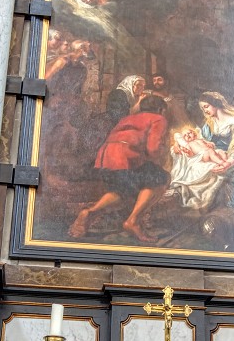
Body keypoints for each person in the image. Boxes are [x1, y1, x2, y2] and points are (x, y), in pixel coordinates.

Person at [69, 94, 170, 243]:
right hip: (126, 158)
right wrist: (162, 154)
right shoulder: (158, 118)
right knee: (161, 178)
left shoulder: (128, 118)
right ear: (160, 109)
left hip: (105, 161)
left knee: (120, 191)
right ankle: (133, 221)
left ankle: (90, 212)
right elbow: (153, 148)